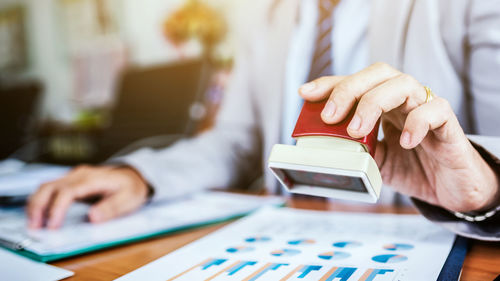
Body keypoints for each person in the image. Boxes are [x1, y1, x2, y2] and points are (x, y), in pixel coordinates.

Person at [27, 0, 500, 240]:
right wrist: (140, 175)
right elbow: (232, 140)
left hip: (424, 240)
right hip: (289, 241)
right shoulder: (269, 17)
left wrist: (483, 191)